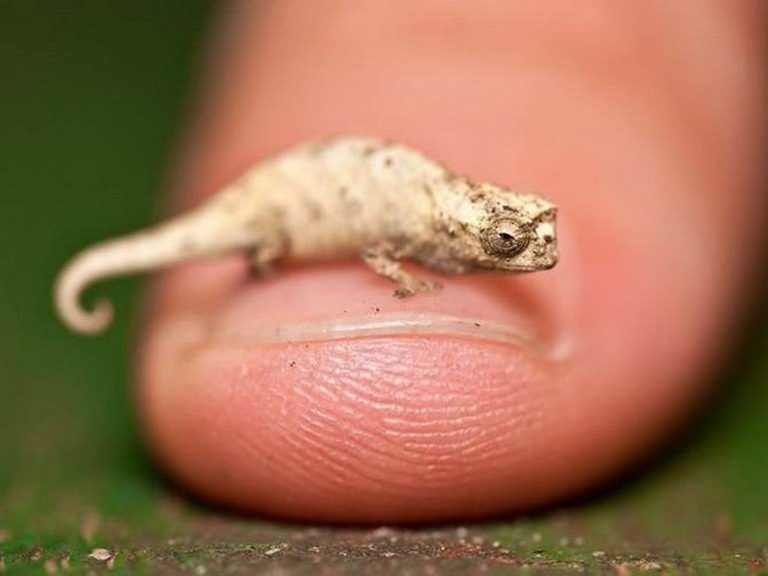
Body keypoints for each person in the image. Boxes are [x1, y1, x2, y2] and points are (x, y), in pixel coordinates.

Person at [137, 2, 767, 522]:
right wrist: (397, 283)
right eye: (509, 242)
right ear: (471, 236)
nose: (539, 252)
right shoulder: (429, 224)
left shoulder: (445, 218)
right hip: (287, 200)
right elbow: (378, 243)